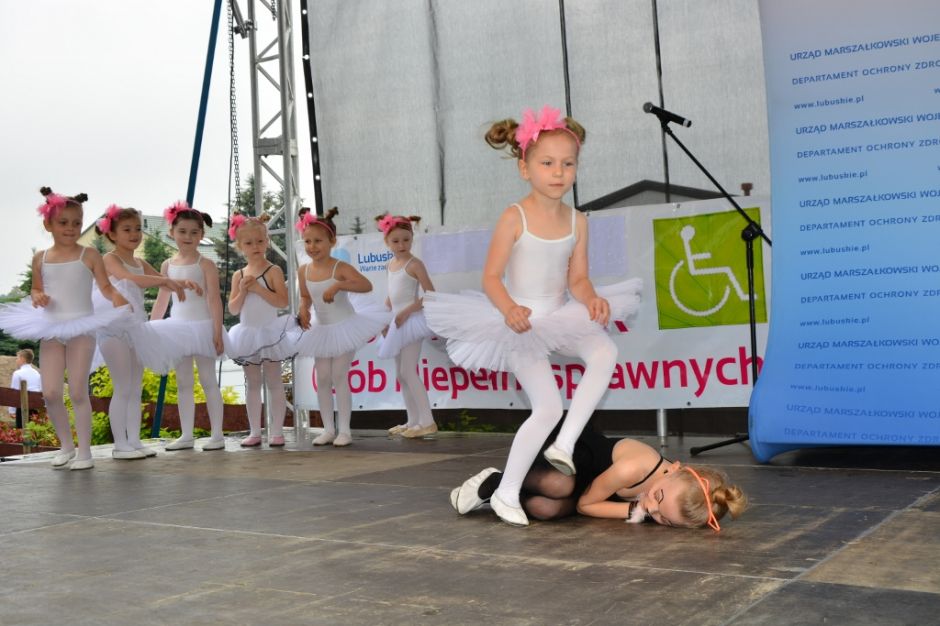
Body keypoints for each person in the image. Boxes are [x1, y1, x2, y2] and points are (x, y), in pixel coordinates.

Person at [424, 106, 642, 526]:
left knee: (605, 352)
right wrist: (509, 308)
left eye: (567, 164)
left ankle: (564, 445)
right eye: (547, 163)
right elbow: (491, 277)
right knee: (546, 407)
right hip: (520, 324)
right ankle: (506, 492)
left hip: (560, 316)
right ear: (524, 168)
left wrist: (592, 298)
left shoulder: (578, 221)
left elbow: (577, 278)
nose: (558, 172)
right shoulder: (515, 216)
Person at [0, 187, 130, 470]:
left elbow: (105, 287)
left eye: (76, 223)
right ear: (48, 225)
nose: (71, 228)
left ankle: (85, 452)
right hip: (51, 328)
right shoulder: (41, 258)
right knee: (50, 393)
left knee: (79, 392)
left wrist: (118, 298)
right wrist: (37, 296)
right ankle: (66, 447)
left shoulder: (89, 255)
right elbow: (36, 288)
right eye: (63, 222)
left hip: (82, 327)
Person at [450, 429, 748, 530]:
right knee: (559, 485)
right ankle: (501, 479)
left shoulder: (670, 492)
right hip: (570, 455)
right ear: (676, 469)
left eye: (664, 520)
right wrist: (633, 510)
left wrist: (653, 511)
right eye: (657, 498)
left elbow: (588, 503)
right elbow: (585, 506)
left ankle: (501, 495)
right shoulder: (634, 468)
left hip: (589, 486)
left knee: (546, 509)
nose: (651, 508)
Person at [93, 204, 192, 459]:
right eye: (126, 229)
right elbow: (132, 279)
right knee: (123, 387)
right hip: (114, 328)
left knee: (135, 389)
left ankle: (135, 441)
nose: (134, 234)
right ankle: (120, 445)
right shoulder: (110, 259)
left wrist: (180, 282)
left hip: (135, 327)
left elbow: (161, 280)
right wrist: (166, 280)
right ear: (112, 234)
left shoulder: (139, 261)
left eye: (137, 228)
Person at [294, 207, 387, 447]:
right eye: (307, 241)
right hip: (322, 328)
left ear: (332, 241)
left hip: (345, 325)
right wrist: (303, 309)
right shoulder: (304, 270)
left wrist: (338, 286)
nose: (312, 246)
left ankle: (345, 430)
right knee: (323, 377)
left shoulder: (340, 267)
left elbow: (366, 285)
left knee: (339, 375)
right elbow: (305, 296)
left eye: (318, 241)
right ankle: (328, 429)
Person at [150, 201, 228, 452]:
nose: (187, 237)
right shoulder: (167, 265)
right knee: (183, 382)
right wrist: (151, 328)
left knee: (208, 380)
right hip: (178, 329)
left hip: (203, 327)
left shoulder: (205, 264)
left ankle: (217, 435)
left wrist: (217, 331)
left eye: (194, 232)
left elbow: (214, 299)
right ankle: (186, 435)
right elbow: (162, 299)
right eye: (182, 231)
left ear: (202, 235)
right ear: (172, 232)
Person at [226, 213, 294, 448]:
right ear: (240, 246)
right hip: (247, 334)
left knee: (274, 381)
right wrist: (244, 290)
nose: (255, 246)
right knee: (252, 383)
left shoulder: (273, 270)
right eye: (249, 243)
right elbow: (233, 308)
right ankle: (255, 431)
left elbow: (282, 302)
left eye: (260, 241)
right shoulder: (239, 275)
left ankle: (277, 431)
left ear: (267, 241)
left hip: (269, 333)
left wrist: (257, 288)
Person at [375, 213, 438, 438]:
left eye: (406, 239)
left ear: (412, 239)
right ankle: (412, 421)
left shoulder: (415, 264)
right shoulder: (390, 264)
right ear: (387, 242)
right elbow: (391, 296)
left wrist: (407, 311)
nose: (401, 245)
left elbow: (430, 294)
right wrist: (385, 319)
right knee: (401, 375)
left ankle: (427, 421)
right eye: (396, 241)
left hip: (411, 322)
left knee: (408, 371)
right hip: (396, 323)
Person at [8, 349, 42, 421]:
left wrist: (12, 411)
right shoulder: (37, 373)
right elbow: (40, 390)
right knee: (33, 427)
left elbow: (14, 393)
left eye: (17, 358)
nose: (16, 360)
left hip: (22, 407)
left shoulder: (17, 373)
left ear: (22, 359)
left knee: (21, 427)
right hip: (35, 407)